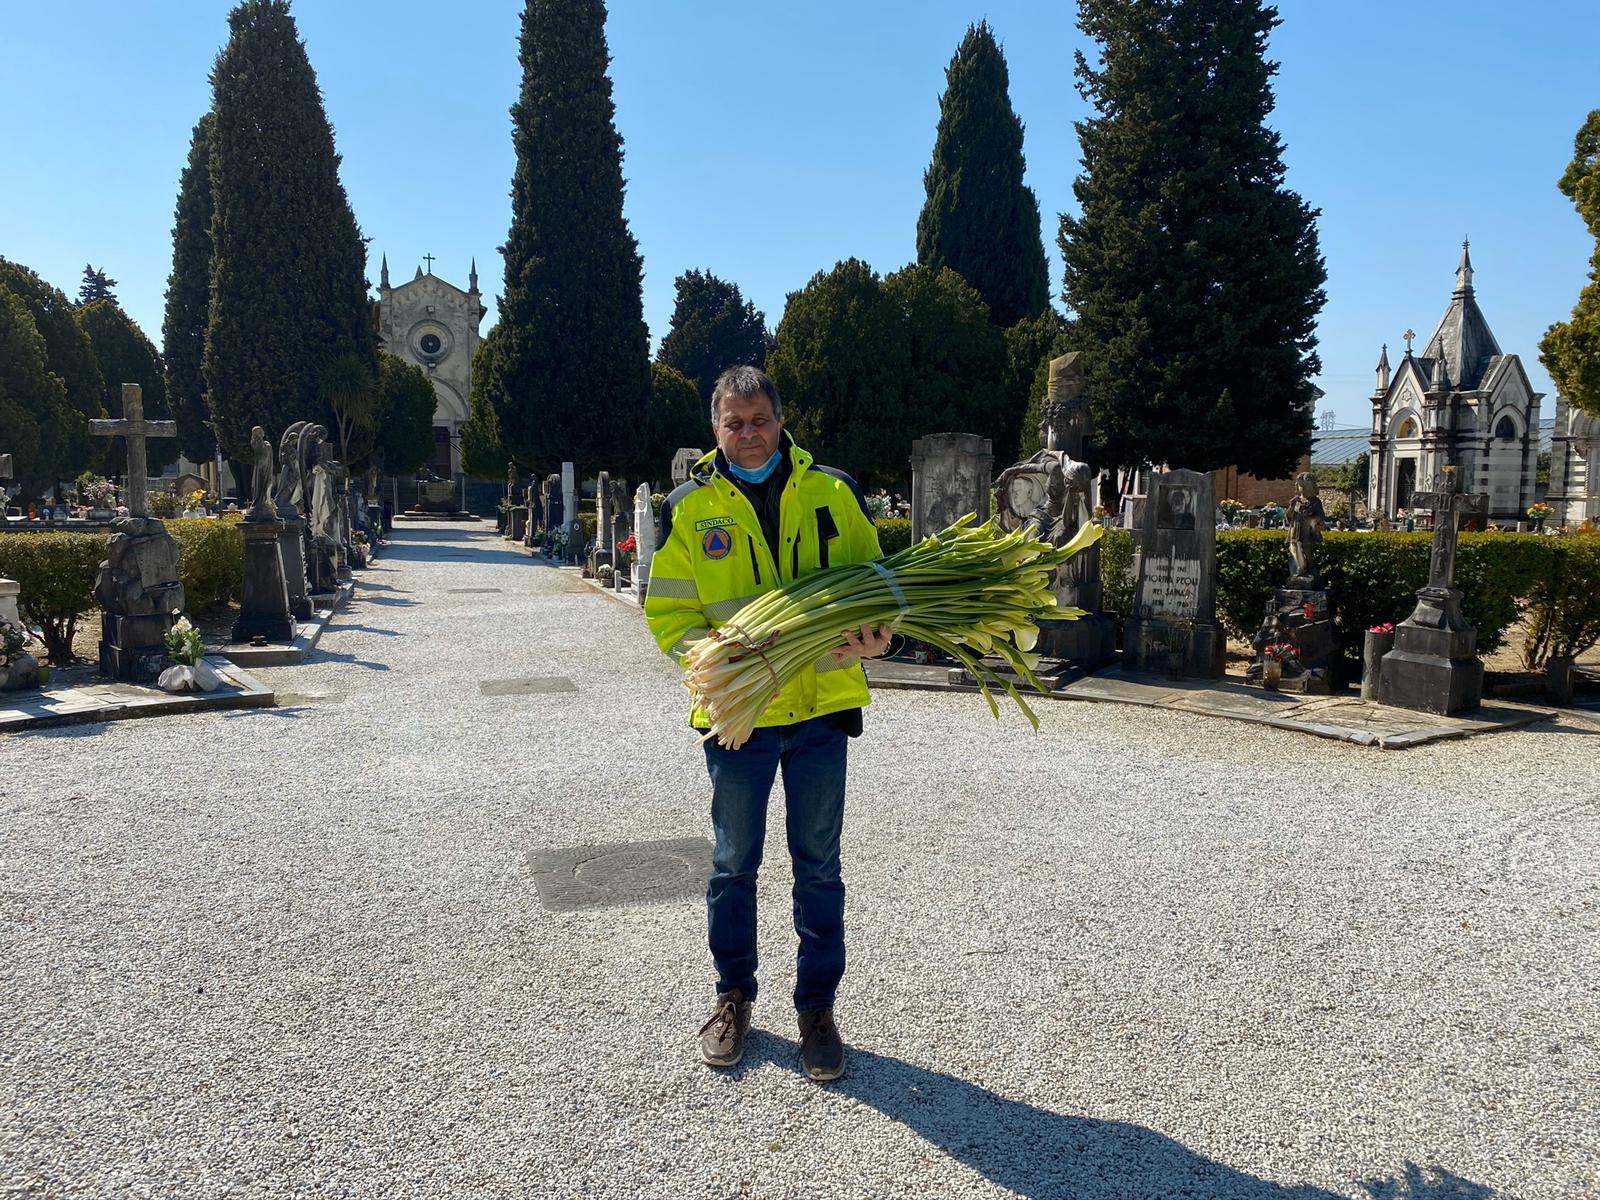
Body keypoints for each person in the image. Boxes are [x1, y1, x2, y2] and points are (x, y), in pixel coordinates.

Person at [644, 365, 890, 1083]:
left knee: (819, 868)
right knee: (731, 865)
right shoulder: (689, 506)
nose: (747, 434)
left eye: (758, 420)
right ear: (714, 430)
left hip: (820, 709)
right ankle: (734, 998)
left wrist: (881, 637)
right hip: (738, 716)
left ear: (780, 421)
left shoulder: (833, 491)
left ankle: (817, 1010)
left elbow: (876, 584)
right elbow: (670, 611)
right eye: (733, 422)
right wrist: (713, 661)